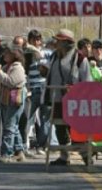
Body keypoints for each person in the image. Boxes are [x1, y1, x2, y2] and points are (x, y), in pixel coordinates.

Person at [45, 29, 91, 166]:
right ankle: (64, 157)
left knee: (76, 129)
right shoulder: (54, 56)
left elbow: (87, 81)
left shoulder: (80, 58)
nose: (55, 43)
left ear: (66, 43)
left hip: (75, 101)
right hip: (57, 99)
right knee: (60, 128)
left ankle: (86, 156)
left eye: (58, 40)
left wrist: (76, 90)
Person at [0, 45, 26, 163]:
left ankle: (6, 154)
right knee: (13, 127)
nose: (4, 55)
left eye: (7, 53)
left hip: (15, 100)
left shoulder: (18, 68)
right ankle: (19, 151)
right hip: (5, 100)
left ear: (14, 55)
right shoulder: (6, 67)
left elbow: (11, 82)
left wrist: (0, 72)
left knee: (9, 127)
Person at [24, 29, 50, 155]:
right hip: (31, 90)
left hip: (45, 89)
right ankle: (24, 145)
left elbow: (50, 67)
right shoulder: (26, 55)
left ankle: (41, 145)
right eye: (33, 39)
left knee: (45, 118)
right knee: (28, 118)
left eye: (38, 39)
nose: (36, 42)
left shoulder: (47, 53)